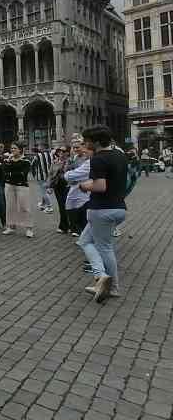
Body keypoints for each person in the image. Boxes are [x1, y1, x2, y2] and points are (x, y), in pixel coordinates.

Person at [78, 126, 127, 303]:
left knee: (105, 248)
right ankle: (101, 278)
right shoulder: (120, 156)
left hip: (101, 209)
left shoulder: (98, 159)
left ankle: (109, 283)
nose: (86, 144)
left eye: (88, 140)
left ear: (97, 142)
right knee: (84, 241)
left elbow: (100, 186)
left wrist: (84, 186)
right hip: (119, 207)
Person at [3, 142, 34, 238]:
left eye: (14, 148)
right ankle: (11, 226)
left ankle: (29, 228)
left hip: (22, 186)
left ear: (20, 149)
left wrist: (11, 173)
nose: (12, 150)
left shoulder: (26, 161)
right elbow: (4, 171)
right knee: (10, 206)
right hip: (9, 185)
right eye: (11, 148)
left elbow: (23, 173)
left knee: (24, 207)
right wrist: (10, 168)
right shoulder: (8, 160)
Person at [65, 137, 91, 238]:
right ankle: (77, 229)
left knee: (83, 208)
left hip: (85, 187)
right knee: (70, 206)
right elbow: (66, 170)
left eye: (77, 147)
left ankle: (84, 233)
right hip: (74, 186)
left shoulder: (87, 158)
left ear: (83, 147)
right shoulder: (73, 158)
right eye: (74, 147)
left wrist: (70, 175)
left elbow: (80, 173)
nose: (75, 149)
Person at [48, 147, 70, 234]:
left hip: (67, 186)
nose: (61, 153)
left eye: (63, 151)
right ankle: (64, 226)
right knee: (61, 206)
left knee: (67, 206)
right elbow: (50, 174)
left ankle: (68, 226)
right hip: (57, 186)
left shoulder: (70, 161)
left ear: (67, 153)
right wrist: (49, 186)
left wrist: (64, 164)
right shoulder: (54, 161)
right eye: (59, 151)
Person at [31, 144, 54, 213]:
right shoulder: (51, 154)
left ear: (42, 148)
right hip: (50, 176)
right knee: (45, 190)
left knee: (43, 191)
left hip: (41, 176)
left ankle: (49, 206)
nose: (38, 148)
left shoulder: (37, 155)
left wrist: (34, 175)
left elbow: (32, 165)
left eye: (39, 147)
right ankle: (43, 204)